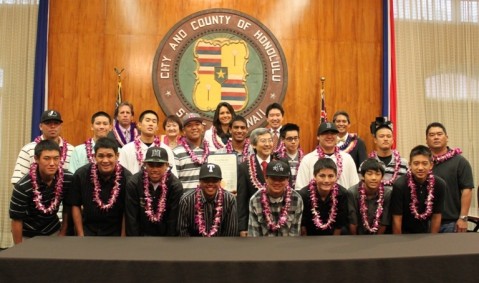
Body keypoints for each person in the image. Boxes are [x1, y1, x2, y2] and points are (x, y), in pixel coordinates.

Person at [9, 140, 74, 244]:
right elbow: (16, 220)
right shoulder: (23, 186)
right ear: (36, 159)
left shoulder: (67, 179)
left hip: (54, 232)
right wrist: (19, 248)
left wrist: (63, 232)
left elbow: (68, 207)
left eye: (56, 158)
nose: (52, 163)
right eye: (46, 158)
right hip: (28, 235)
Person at [70, 137, 132, 236]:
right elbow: (75, 205)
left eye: (110, 156)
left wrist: (122, 239)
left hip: (115, 235)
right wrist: (81, 235)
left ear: (117, 156)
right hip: (88, 233)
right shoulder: (81, 175)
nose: (105, 160)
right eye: (101, 156)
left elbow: (127, 212)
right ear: (94, 156)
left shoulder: (127, 178)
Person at [426, 122, 474, 233]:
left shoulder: (460, 162)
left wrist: (463, 218)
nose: (436, 137)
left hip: (450, 223)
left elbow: (467, 190)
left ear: (447, 137)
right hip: (424, 223)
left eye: (439, 134)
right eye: (432, 135)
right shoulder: (422, 163)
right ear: (426, 140)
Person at [125, 147, 183, 236]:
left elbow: (173, 221)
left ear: (167, 165)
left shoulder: (175, 186)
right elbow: (132, 219)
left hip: (165, 239)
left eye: (159, 165)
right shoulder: (134, 183)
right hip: (140, 238)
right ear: (145, 164)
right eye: (151, 165)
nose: (155, 169)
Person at [391, 145, 446, 234]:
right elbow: (396, 218)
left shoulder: (439, 184)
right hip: (404, 233)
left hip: (425, 233)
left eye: (424, 163)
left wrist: (433, 240)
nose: (420, 168)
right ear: (409, 165)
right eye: (416, 163)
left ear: (431, 165)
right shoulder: (400, 185)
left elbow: (436, 215)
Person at [11, 109, 74, 184]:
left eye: (56, 123)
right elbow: (18, 180)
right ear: (40, 126)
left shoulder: (71, 150)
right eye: (48, 123)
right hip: (33, 193)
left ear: (61, 126)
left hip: (64, 194)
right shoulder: (28, 149)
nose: (53, 126)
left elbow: (74, 180)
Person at [178, 163, 238, 237]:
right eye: (206, 180)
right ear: (200, 181)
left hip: (221, 246)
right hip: (193, 246)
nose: (210, 183)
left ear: (220, 182)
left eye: (214, 180)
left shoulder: (230, 200)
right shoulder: (186, 200)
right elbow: (182, 232)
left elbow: (230, 233)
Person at [295, 122, 359, 190]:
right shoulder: (307, 160)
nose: (329, 136)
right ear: (318, 137)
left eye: (333, 133)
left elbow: (354, 187)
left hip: (343, 200)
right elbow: (300, 188)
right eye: (325, 133)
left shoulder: (347, 158)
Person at [248, 160, 303, 237]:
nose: (277, 182)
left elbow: (294, 234)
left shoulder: (296, 199)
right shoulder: (255, 200)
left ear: (287, 180)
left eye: (281, 179)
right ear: (266, 178)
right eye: (273, 178)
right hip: (262, 246)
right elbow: (254, 236)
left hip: (288, 246)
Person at [237, 128, 275, 237]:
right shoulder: (244, 167)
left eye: (270, 140)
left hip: (278, 219)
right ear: (253, 145)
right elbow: (242, 199)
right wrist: (242, 227)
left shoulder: (280, 163)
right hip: (254, 221)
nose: (268, 144)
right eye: (263, 141)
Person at [298, 158, 348, 236]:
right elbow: (303, 226)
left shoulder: (342, 194)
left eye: (331, 176)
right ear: (314, 176)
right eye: (322, 176)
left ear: (336, 177)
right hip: (309, 238)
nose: (326, 180)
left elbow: (339, 225)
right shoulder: (304, 194)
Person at [119, 110, 177, 176]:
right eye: (147, 120)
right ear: (139, 125)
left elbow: (173, 175)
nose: (151, 124)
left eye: (154, 121)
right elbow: (121, 175)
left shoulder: (166, 149)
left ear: (157, 128)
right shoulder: (127, 149)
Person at [348, 158, 392, 235]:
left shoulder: (387, 193)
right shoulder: (352, 192)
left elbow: (384, 223)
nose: (374, 178)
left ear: (382, 177)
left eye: (377, 174)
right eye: (369, 174)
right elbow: (353, 223)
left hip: (380, 237)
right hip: (357, 236)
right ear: (362, 176)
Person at [367, 117, 408, 189]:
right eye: (381, 136)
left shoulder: (404, 163)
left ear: (392, 140)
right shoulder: (366, 164)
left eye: (389, 136)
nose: (385, 139)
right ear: (375, 140)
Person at [173, 113, 210, 190]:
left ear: (203, 128)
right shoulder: (176, 153)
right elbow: (174, 183)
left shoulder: (212, 152)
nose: (194, 128)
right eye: (189, 125)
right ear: (183, 131)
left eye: (197, 124)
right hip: (185, 200)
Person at [274, 123, 304, 187]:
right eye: (290, 139)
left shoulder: (305, 158)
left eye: (296, 138)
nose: (293, 142)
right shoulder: (277, 159)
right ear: (282, 139)